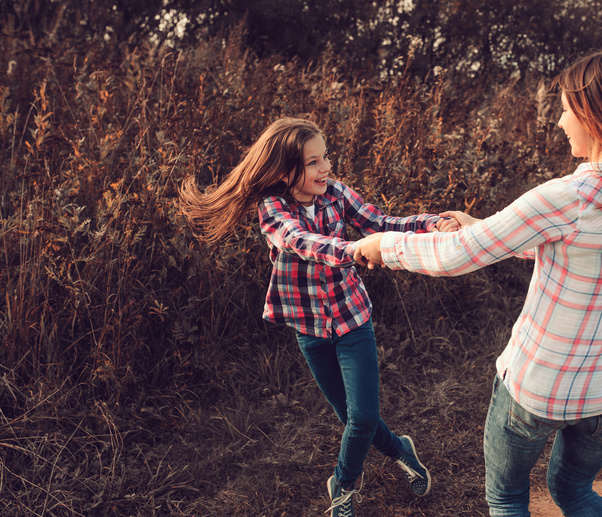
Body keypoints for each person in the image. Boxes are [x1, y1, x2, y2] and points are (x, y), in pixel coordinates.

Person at [354, 50, 602, 517]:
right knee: (575, 492)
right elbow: (572, 245)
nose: (560, 122)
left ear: (595, 117)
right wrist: (481, 225)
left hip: (540, 388)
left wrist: (385, 246)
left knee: (506, 498)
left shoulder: (566, 197)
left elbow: (458, 255)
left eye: (566, 110)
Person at [180, 117, 458, 517]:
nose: (325, 168)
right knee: (352, 418)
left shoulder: (337, 194)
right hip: (309, 329)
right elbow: (300, 241)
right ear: (284, 171)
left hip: (352, 319)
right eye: (312, 162)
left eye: (324, 157)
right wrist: (354, 250)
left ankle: (342, 486)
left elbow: (380, 223)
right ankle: (401, 449)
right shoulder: (273, 208)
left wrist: (430, 223)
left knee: (361, 418)